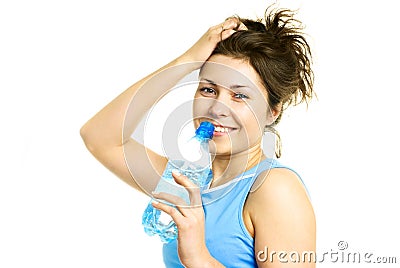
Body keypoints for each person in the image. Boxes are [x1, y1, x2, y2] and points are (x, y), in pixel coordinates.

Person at [80, 4, 316, 268]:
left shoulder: (274, 189)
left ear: (272, 111)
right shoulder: (183, 180)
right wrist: (187, 59)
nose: (217, 109)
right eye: (208, 90)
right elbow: (98, 137)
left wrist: (198, 257)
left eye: (240, 95)